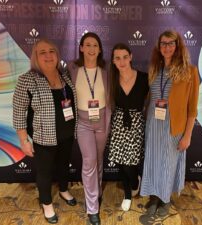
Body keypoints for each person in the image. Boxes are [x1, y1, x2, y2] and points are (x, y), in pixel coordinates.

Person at [13, 38, 77, 224]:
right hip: (44, 137)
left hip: (67, 133)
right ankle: (46, 202)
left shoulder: (64, 76)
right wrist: (24, 140)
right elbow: (19, 111)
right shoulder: (27, 79)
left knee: (64, 165)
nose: (48, 56)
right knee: (45, 171)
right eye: (43, 52)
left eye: (52, 51)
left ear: (57, 55)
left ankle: (64, 190)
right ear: (35, 57)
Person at [140, 30, 200, 217]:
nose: (167, 47)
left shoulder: (190, 72)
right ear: (159, 47)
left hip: (173, 127)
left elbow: (192, 109)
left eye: (171, 43)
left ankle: (165, 199)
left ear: (178, 45)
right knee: (153, 162)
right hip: (153, 124)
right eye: (163, 43)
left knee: (168, 163)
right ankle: (154, 197)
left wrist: (188, 135)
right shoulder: (154, 69)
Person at [67, 32, 111, 225]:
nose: (91, 49)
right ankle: (92, 206)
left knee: (99, 158)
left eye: (95, 45)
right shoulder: (72, 68)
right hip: (83, 121)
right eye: (88, 45)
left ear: (99, 49)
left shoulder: (106, 69)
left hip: (102, 118)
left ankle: (97, 191)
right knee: (89, 160)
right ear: (81, 48)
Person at [107, 43, 149, 211]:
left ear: (131, 57)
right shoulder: (111, 79)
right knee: (120, 161)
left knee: (130, 162)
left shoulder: (145, 78)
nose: (122, 61)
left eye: (125, 57)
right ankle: (127, 194)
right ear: (113, 61)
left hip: (136, 123)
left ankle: (135, 181)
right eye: (117, 58)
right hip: (118, 122)